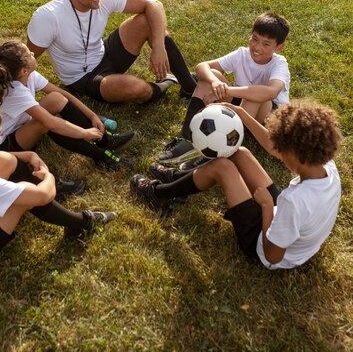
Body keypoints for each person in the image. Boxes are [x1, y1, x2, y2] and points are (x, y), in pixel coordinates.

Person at [131, 101, 342, 270]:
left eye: (283, 151)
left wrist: (267, 208)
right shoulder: (326, 166)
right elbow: (272, 148)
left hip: (261, 244)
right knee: (239, 153)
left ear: (297, 155)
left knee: (222, 167)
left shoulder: (294, 201)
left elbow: (273, 256)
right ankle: (178, 178)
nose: (278, 153)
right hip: (284, 223)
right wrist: (243, 115)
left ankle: (159, 194)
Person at [0, 99, 117, 273]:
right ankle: (80, 223)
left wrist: (28, 155)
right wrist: (48, 176)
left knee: (4, 159)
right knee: (25, 194)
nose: (0, 139)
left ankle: (72, 220)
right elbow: (42, 195)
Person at [27, 0, 196, 104]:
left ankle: (189, 87)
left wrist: (159, 47)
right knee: (137, 89)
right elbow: (25, 60)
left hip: (105, 52)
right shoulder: (49, 16)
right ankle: (166, 82)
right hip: (83, 77)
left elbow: (154, 5)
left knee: (147, 20)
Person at [0, 40, 135, 175]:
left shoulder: (28, 75)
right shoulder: (13, 92)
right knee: (43, 122)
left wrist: (92, 116)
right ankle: (101, 156)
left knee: (55, 99)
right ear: (23, 70)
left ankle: (105, 140)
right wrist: (85, 133)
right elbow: (51, 122)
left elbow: (62, 94)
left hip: (18, 128)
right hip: (1, 149)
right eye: (29, 54)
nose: (33, 54)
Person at [159, 11, 290, 166]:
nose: (257, 47)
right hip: (241, 107)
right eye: (254, 39)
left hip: (268, 120)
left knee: (255, 95)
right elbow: (202, 66)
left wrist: (227, 91)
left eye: (266, 44)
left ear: (279, 47)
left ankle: (219, 151)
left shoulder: (279, 64)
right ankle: (187, 139)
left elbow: (270, 92)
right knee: (210, 76)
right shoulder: (242, 54)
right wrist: (215, 82)